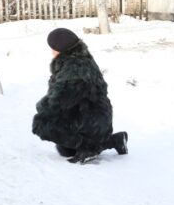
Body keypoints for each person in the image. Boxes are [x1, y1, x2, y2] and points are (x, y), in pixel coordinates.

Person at [32, 28, 129, 164]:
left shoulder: (76, 68)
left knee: (41, 123)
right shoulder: (76, 59)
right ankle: (114, 141)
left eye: (53, 47)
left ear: (60, 49)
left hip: (92, 120)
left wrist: (42, 107)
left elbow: (60, 100)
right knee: (65, 150)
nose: (51, 51)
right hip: (91, 117)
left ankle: (90, 148)